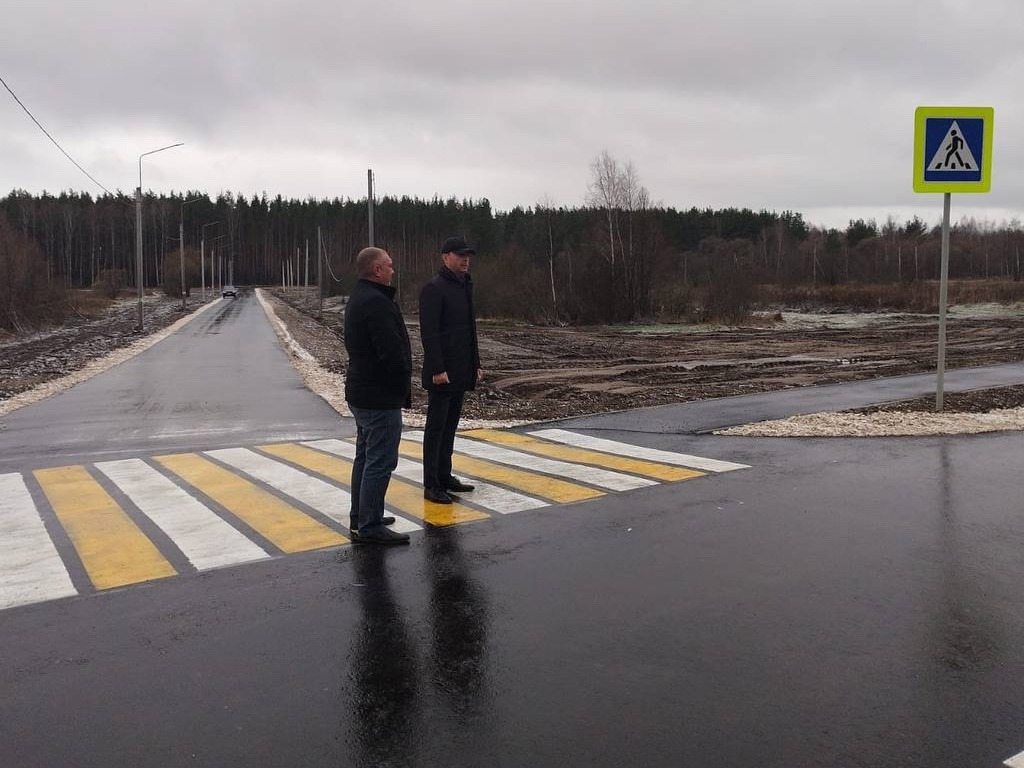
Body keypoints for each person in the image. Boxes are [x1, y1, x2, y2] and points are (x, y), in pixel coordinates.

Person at [344, 246, 411, 544]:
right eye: (389, 265)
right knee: (380, 459)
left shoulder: (359, 297)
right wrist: (401, 384)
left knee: (365, 455)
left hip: (362, 390)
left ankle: (362, 515)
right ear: (376, 270)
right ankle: (369, 525)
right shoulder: (376, 302)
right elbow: (391, 352)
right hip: (378, 395)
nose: (392, 269)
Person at [419, 236, 482, 504]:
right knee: (436, 428)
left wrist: (476, 363)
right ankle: (431, 483)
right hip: (442, 373)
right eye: (459, 255)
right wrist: (437, 368)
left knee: (450, 426)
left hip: (460, 369)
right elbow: (429, 333)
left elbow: (470, 329)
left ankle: (445, 476)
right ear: (445, 257)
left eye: (467, 255)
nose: (465, 259)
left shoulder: (464, 286)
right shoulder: (434, 288)